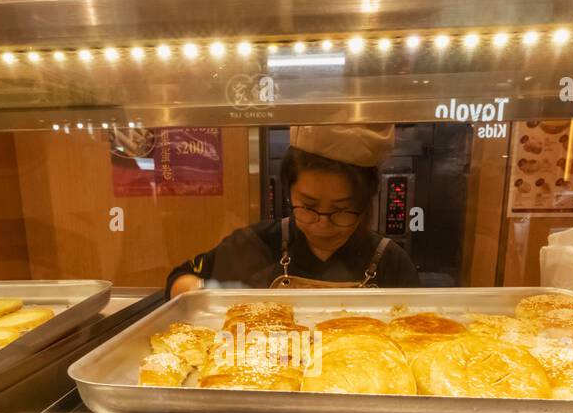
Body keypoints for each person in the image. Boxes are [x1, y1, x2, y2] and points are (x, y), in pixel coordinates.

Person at [166, 124, 419, 296]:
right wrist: (211, 293)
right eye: (308, 206)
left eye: (342, 210)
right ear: (290, 192)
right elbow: (181, 278)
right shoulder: (259, 243)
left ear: (365, 203)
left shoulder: (392, 263)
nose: (322, 224)